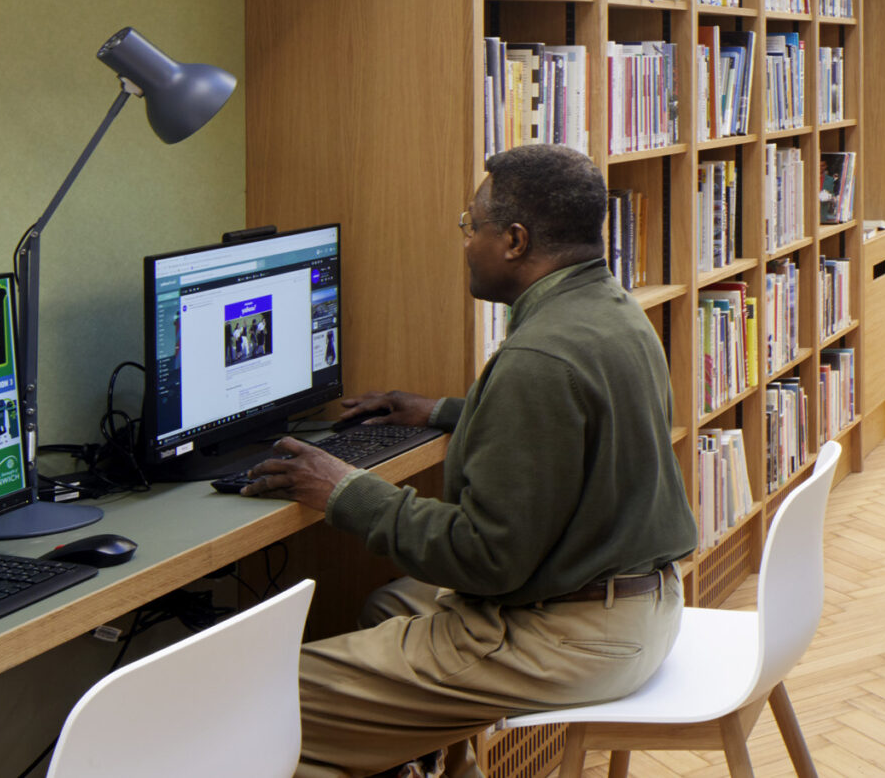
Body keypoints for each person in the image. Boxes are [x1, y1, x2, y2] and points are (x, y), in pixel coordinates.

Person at [242, 145, 697, 778]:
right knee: (390, 605)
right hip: (642, 605)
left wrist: (344, 489)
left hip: (572, 638)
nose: (464, 243)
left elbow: (485, 560)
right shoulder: (608, 312)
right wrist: (446, 412)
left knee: (260, 708)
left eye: (469, 226)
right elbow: (573, 427)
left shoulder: (538, 360)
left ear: (513, 240)